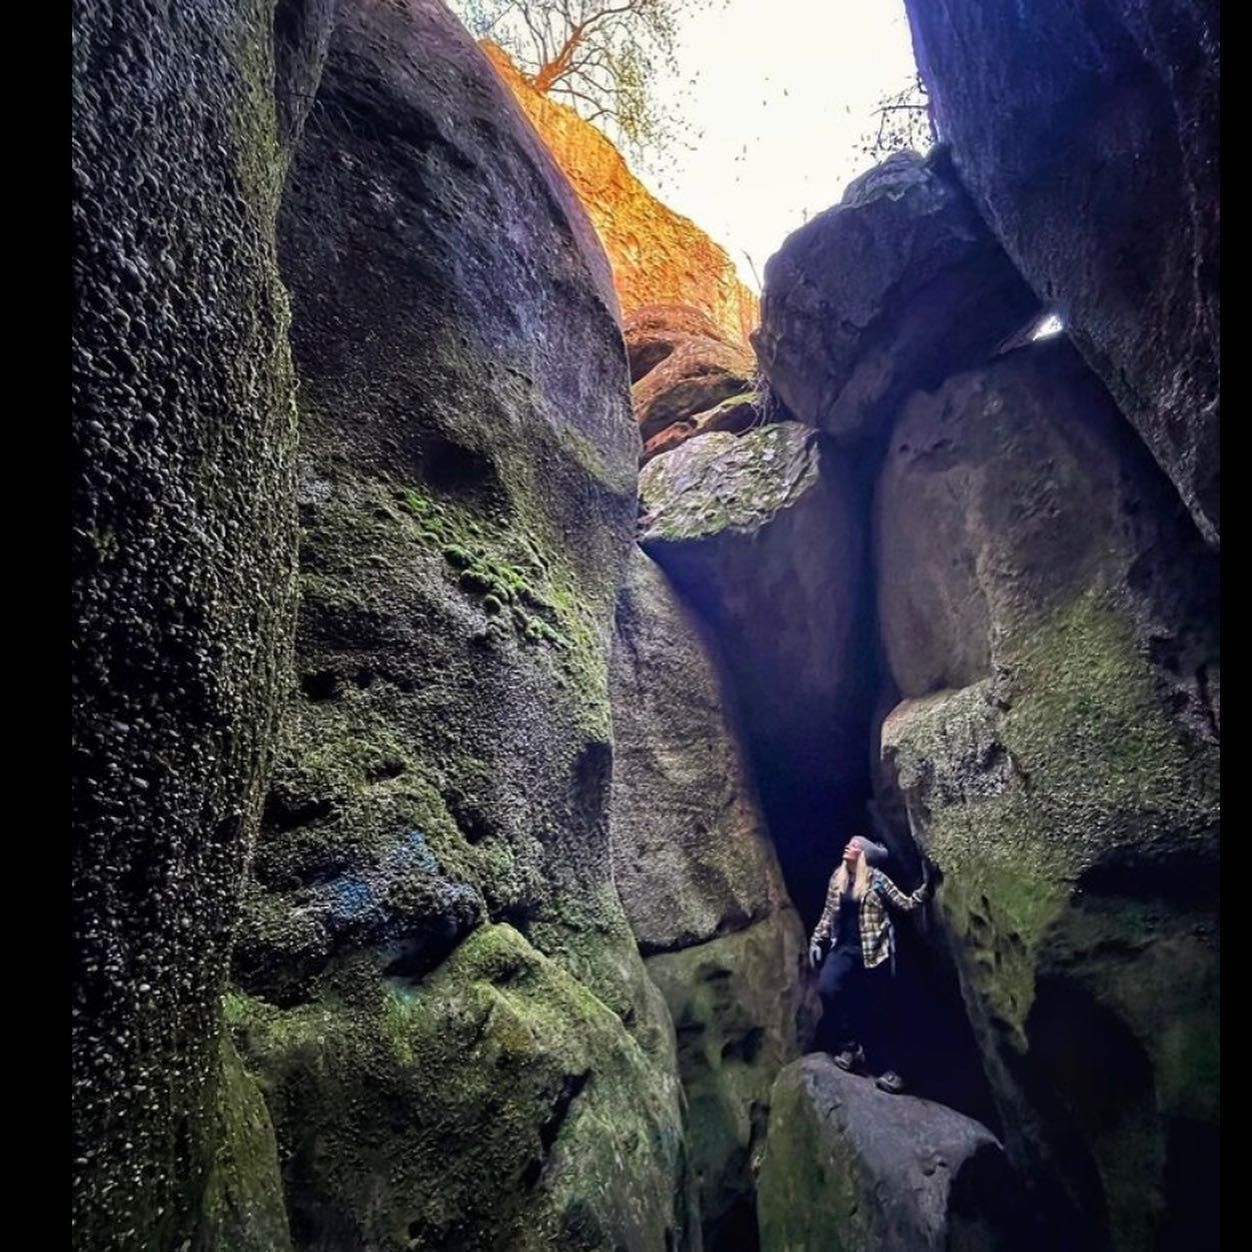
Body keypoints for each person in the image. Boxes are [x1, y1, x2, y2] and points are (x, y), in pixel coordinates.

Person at [807, 834, 934, 1094]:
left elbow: (905, 904)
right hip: (844, 949)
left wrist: (927, 888)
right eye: (850, 843)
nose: (848, 846)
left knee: (880, 1010)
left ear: (863, 855)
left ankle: (896, 1072)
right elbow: (829, 913)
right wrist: (816, 939)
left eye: (854, 845)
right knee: (826, 989)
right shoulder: (838, 877)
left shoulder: (877, 880)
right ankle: (850, 1047)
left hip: (873, 954)